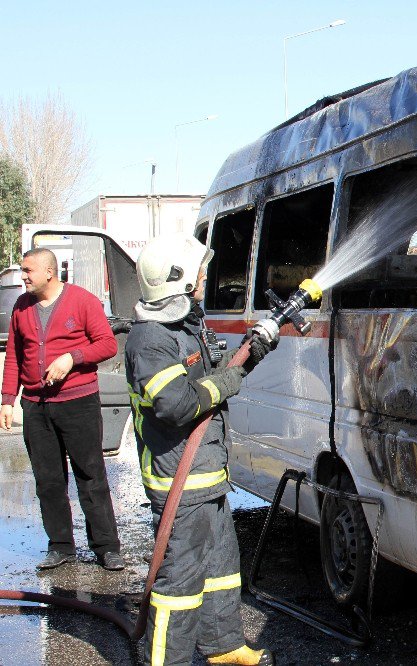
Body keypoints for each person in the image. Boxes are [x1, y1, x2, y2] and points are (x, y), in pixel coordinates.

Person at [125, 233, 275, 666]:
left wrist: (254, 351)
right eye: (196, 272)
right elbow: (176, 405)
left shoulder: (185, 326)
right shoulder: (150, 340)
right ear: (176, 280)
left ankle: (224, 647)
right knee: (179, 586)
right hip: (179, 482)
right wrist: (228, 382)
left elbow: (214, 374)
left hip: (206, 476)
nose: (203, 276)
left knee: (221, 570)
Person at [0, 248, 124, 571]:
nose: (23, 275)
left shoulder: (82, 301)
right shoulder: (21, 307)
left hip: (78, 403)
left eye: (28, 270)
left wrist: (73, 358)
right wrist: (7, 399)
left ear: (49, 273)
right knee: (48, 480)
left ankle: (107, 547)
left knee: (90, 475)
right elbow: (14, 354)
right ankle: (61, 545)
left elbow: (108, 344)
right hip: (36, 407)